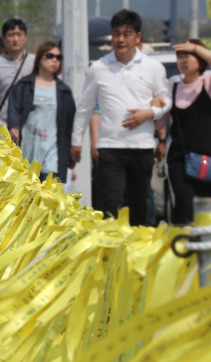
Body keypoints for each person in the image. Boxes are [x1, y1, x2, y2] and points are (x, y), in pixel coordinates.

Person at [70, 9, 171, 226]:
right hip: (109, 148)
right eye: (116, 34)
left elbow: (166, 100)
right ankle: (110, 254)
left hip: (142, 148)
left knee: (140, 206)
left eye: (127, 34)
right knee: (110, 206)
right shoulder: (98, 68)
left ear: (138, 37)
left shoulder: (153, 67)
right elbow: (85, 107)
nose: (121, 39)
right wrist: (76, 141)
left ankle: (137, 255)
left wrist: (149, 113)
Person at [156, 39, 211, 225]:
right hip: (180, 159)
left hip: (207, 160)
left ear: (201, 60)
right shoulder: (171, 88)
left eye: (188, 56)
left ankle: (209, 251)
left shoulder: (210, 84)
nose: (183, 60)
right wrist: (156, 108)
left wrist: (196, 47)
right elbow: (160, 123)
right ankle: (181, 247)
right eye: (180, 56)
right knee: (185, 204)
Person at [7, 41, 76, 183]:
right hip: (27, 154)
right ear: (39, 59)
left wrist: (70, 159)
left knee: (48, 201)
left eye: (58, 57)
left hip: (53, 157)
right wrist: (14, 126)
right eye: (50, 56)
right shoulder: (23, 86)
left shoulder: (64, 91)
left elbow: (69, 126)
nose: (55, 60)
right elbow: (13, 111)